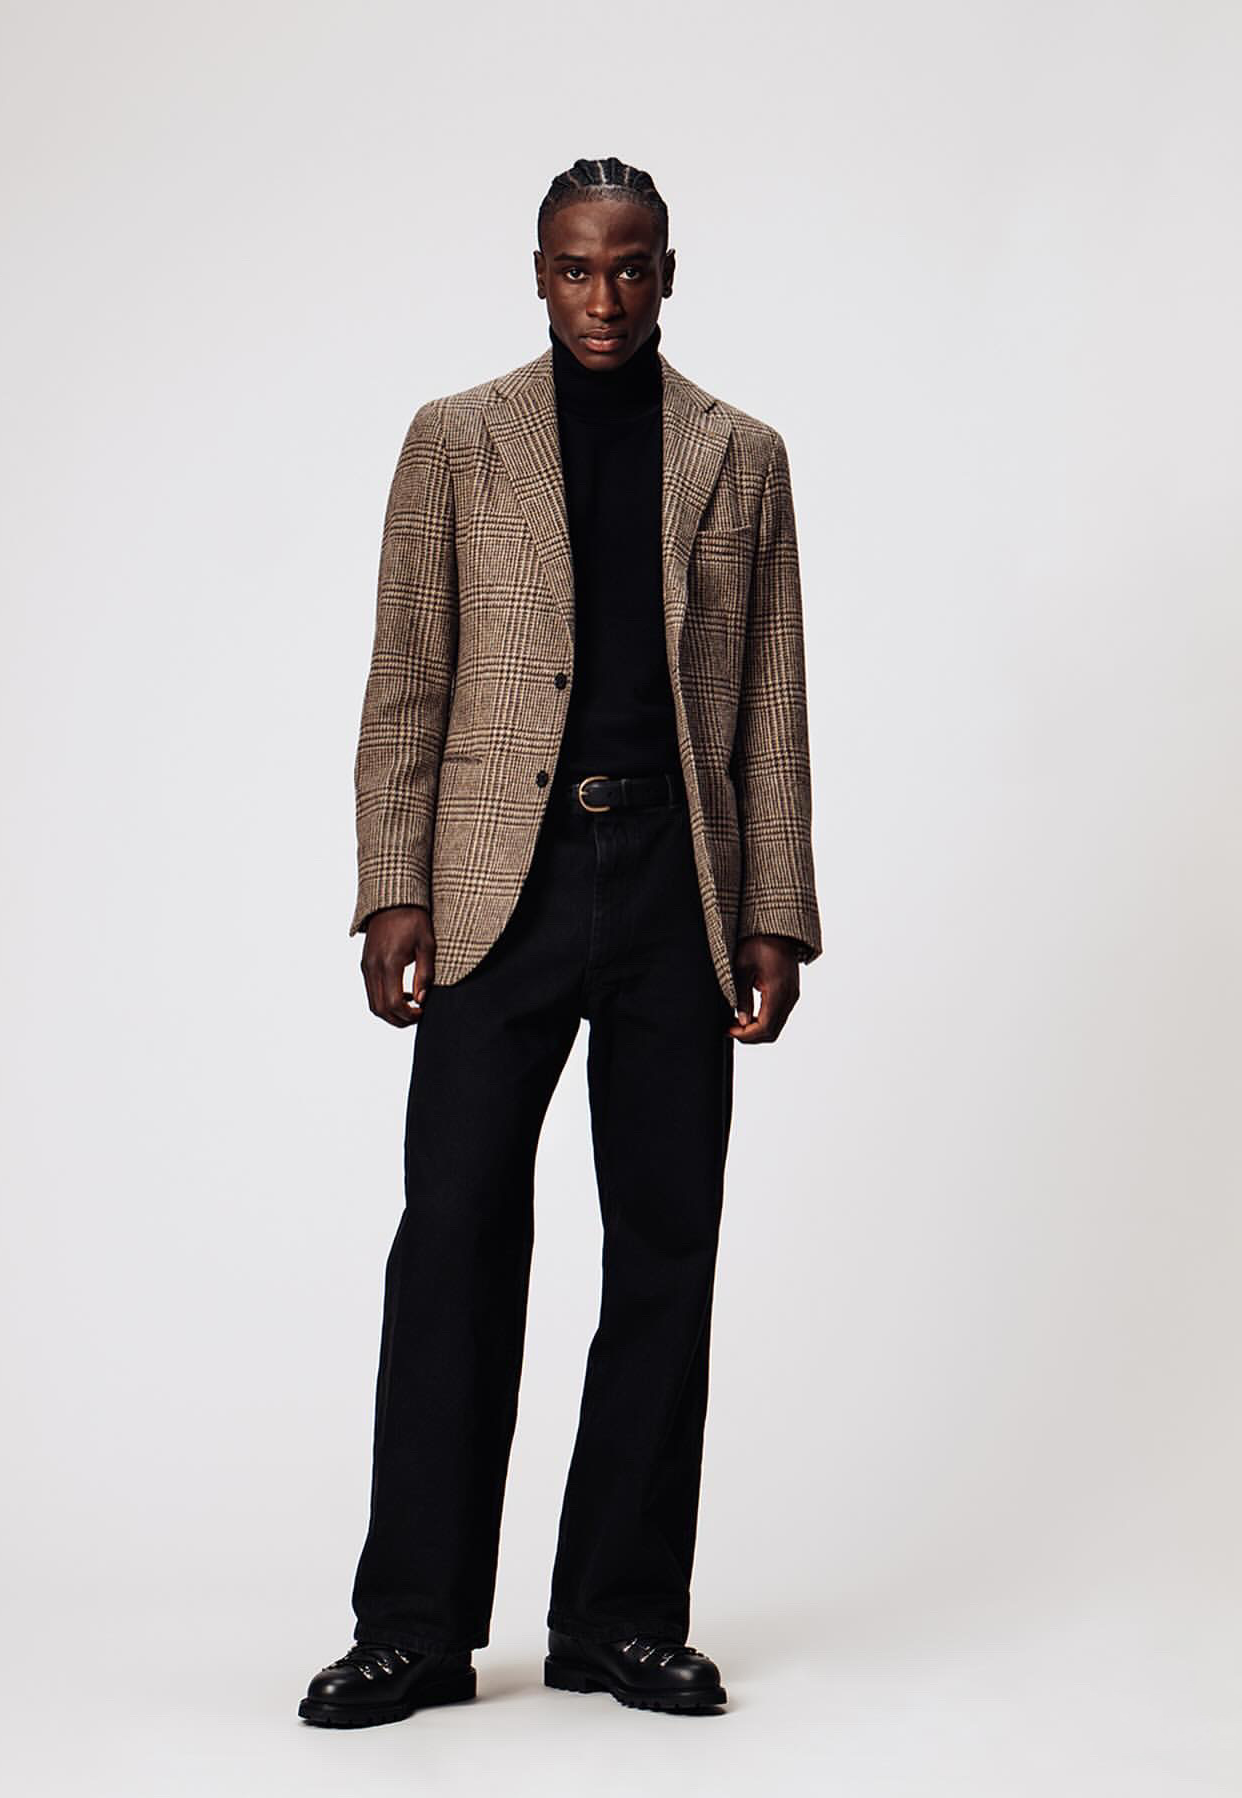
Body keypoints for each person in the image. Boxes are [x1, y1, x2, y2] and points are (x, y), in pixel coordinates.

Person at [299, 155, 823, 1729]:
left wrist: (775, 909)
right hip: (494, 884)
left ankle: (617, 1614)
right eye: (578, 268)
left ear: (670, 272)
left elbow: (770, 700)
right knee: (454, 1236)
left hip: (675, 881)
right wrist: (393, 884)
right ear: (538, 273)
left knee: (665, 1245)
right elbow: (407, 674)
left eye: (632, 266)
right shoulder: (455, 440)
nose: (606, 296)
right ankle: (414, 1624)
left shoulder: (740, 456)